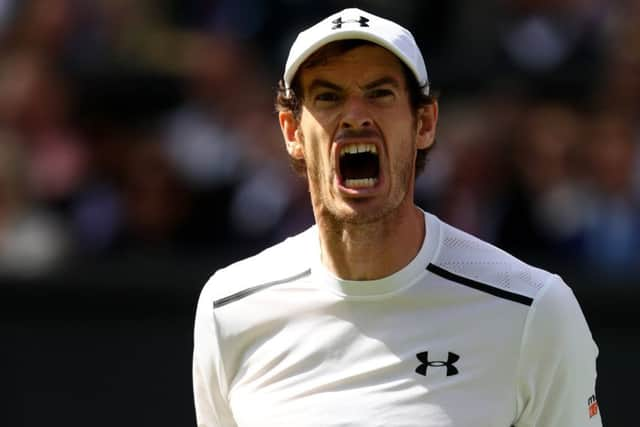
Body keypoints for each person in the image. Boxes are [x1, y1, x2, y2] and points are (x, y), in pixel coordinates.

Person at [193, 8, 601, 426]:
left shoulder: (534, 309)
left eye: (379, 93)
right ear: (292, 132)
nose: (355, 116)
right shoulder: (228, 308)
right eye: (329, 97)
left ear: (424, 123)